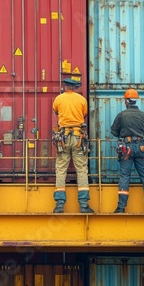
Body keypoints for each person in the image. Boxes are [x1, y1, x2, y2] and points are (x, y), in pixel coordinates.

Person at [110, 88, 144, 213]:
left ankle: (121, 207)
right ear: (135, 101)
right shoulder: (143, 115)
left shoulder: (121, 115)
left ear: (126, 101)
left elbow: (114, 132)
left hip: (126, 149)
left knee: (125, 176)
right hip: (142, 148)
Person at [52, 78, 94, 213]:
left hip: (63, 137)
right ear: (74, 87)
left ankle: (59, 205)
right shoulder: (81, 100)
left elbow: (56, 112)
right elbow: (85, 114)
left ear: (65, 86)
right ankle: (83, 205)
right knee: (81, 169)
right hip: (78, 138)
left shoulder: (58, 99)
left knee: (61, 169)